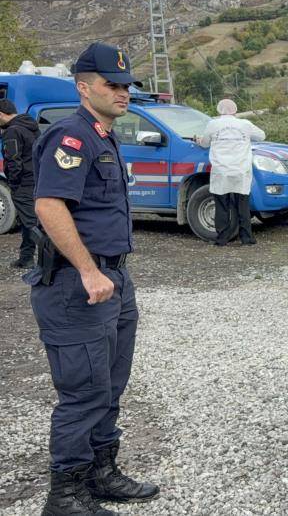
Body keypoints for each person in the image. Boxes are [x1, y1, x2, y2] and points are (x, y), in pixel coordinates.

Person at [27, 42, 159, 516]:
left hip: (113, 279)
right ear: (84, 88)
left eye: (127, 85)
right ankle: (65, 495)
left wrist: (110, 275)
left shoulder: (103, 135)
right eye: (112, 84)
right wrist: (88, 270)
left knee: (110, 384)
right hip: (77, 285)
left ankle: (101, 472)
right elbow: (49, 205)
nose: (124, 93)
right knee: (83, 392)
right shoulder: (71, 136)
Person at [198, 98, 264, 246]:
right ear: (235, 110)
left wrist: (198, 140)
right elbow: (262, 136)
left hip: (221, 171)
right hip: (241, 171)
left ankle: (222, 238)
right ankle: (246, 238)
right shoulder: (245, 124)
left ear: (219, 110)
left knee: (222, 205)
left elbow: (205, 143)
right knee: (243, 205)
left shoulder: (213, 124)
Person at [1, 98, 40, 268]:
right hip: (36, 180)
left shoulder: (12, 132)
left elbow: (13, 161)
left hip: (23, 184)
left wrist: (14, 182)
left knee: (31, 223)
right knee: (27, 221)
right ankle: (26, 258)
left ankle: (52, 258)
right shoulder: (31, 127)